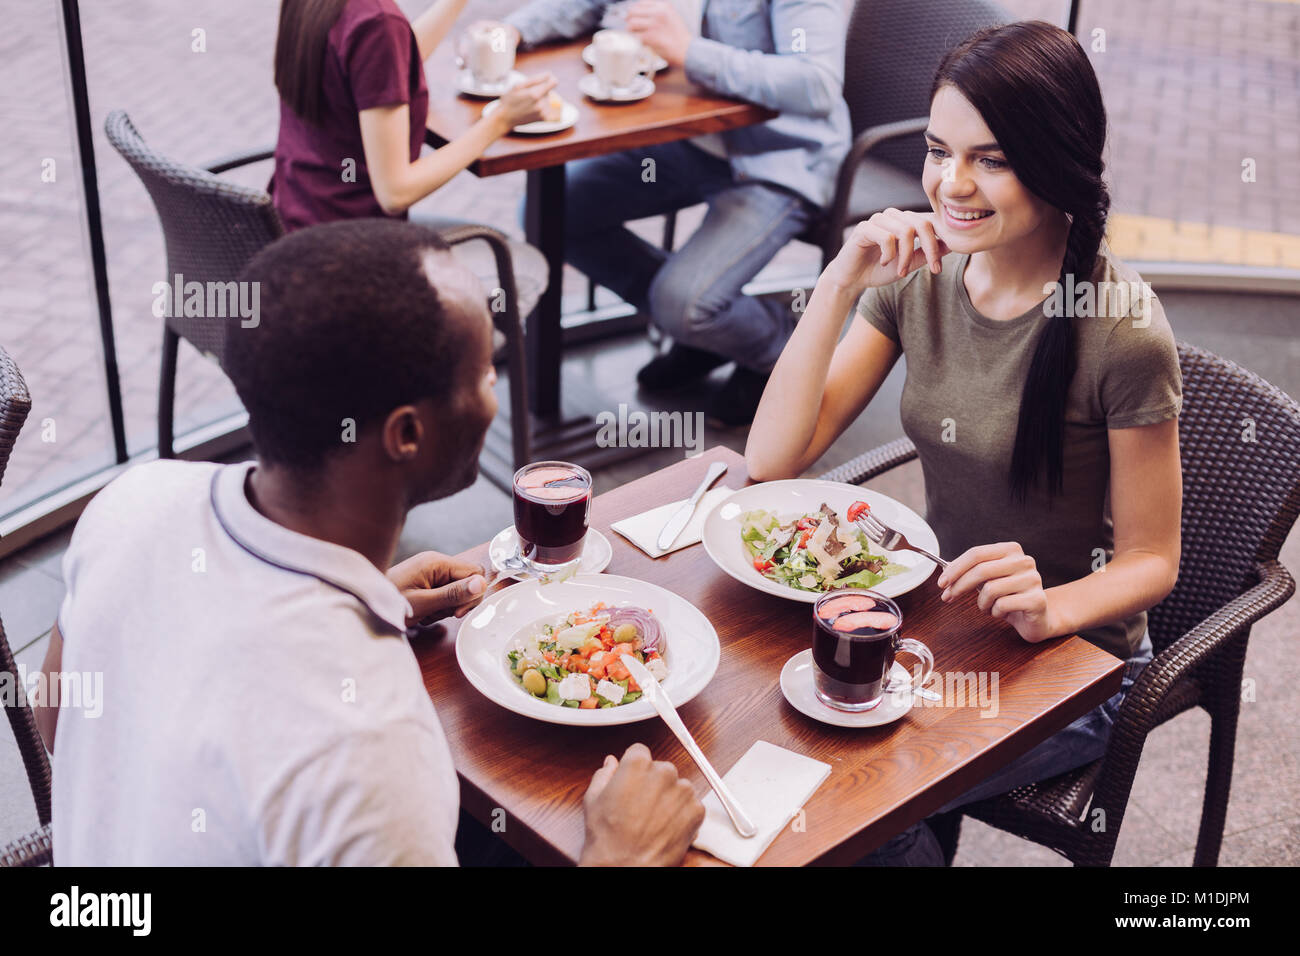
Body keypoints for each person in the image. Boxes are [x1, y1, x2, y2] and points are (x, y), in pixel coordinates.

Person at [35, 218, 705, 866]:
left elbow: (58, 727)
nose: (496, 389)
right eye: (482, 372)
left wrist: (361, 602)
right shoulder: (370, 752)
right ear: (406, 435)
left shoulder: (132, 501)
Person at [744, 21, 1183, 865]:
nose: (951, 184)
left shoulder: (1122, 332)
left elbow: (1152, 562)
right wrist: (839, 281)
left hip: (1078, 663)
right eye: (938, 150)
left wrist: (1052, 606)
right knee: (790, 752)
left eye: (991, 159)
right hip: (945, 621)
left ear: (1055, 165)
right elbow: (772, 459)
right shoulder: (922, 273)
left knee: (850, 806)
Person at [501, 0, 852, 425]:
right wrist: (513, 32)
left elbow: (815, 83)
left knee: (684, 303)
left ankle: (783, 350)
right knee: (555, 214)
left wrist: (690, 52)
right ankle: (707, 332)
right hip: (691, 140)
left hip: (781, 157)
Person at [270, 0, 557, 231]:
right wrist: (500, 120)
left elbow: (381, 59)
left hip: (291, 223)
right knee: (506, 254)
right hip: (349, 254)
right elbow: (396, 192)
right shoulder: (377, 20)